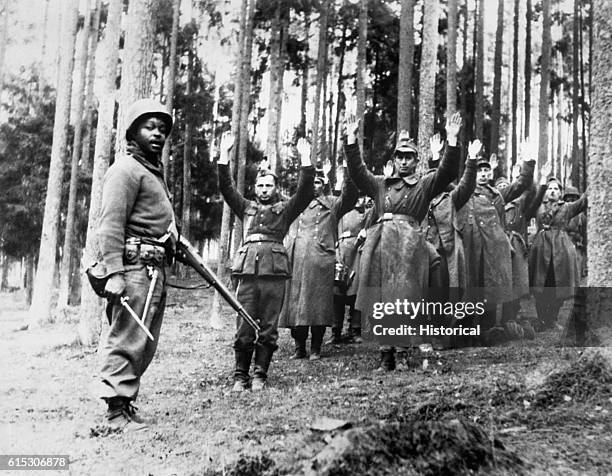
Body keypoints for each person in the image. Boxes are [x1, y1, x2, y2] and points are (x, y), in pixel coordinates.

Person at [343, 99, 462, 371]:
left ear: (416, 161)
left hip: (410, 249)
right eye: (400, 156)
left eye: (409, 157)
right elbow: (358, 172)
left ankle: (409, 353)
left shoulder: (423, 185)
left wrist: (452, 142)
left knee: (409, 299)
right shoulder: (380, 185)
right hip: (383, 247)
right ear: (394, 160)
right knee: (383, 301)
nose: (404, 161)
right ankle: (386, 358)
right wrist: (350, 140)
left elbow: (446, 173)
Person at [96, 98, 176, 431]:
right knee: (127, 338)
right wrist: (115, 273)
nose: (157, 134)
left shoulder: (151, 174)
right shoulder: (125, 170)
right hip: (133, 269)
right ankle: (115, 415)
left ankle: (124, 405)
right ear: (133, 132)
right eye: (149, 127)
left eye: (162, 128)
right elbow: (110, 225)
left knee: (143, 342)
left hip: (153, 270)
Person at [217, 132, 314, 391]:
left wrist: (306, 161)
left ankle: (260, 374)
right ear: (254, 188)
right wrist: (224, 157)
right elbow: (227, 188)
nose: (264, 190)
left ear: (276, 188)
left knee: (269, 327)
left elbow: (305, 193)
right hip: (248, 273)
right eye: (260, 186)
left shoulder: (285, 209)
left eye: (269, 186)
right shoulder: (246, 207)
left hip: (274, 274)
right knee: (244, 326)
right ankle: (240, 376)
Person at [279, 166, 358, 359]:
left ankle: (315, 347)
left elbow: (349, 198)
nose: (313, 186)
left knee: (318, 306)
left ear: (324, 185)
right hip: (296, 261)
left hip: (321, 262)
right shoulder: (295, 203)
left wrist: (346, 175)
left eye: (318, 182)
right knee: (295, 305)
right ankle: (299, 347)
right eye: (311, 181)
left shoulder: (331, 203)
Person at [456, 150, 535, 343]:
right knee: (470, 287)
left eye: (486, 171)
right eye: (479, 171)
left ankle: (486, 330)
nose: (483, 174)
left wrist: (528, 162)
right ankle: (465, 332)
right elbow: (441, 182)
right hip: (470, 247)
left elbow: (521, 185)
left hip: (492, 249)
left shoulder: (497, 195)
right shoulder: (464, 192)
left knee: (490, 289)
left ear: (490, 173)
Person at [424, 138, 480, 347]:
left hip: (446, 254)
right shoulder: (421, 197)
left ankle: (442, 336)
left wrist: (472, 160)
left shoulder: (451, 198)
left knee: (444, 293)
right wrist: (435, 156)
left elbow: (466, 185)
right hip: (424, 252)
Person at [497, 151, 551, 339]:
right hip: (499, 249)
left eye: (507, 186)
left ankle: (514, 319)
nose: (506, 189)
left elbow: (534, 200)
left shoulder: (521, 209)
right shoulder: (494, 208)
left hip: (518, 249)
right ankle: (503, 322)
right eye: (501, 187)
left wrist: (543, 182)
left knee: (518, 285)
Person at [529, 178, 587, 330]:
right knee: (540, 284)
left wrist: (594, 180)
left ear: (561, 193)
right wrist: (541, 185)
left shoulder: (567, 208)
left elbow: (583, 202)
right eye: (550, 188)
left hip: (561, 249)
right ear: (545, 192)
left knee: (558, 284)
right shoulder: (538, 206)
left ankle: (552, 319)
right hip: (541, 248)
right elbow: (530, 197)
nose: (553, 191)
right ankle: (542, 319)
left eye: (556, 189)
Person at [330, 196, 370, 344]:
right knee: (336, 293)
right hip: (339, 251)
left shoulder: (366, 213)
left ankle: (355, 329)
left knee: (355, 292)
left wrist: (365, 233)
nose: (359, 199)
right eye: (356, 196)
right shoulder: (338, 212)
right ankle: (336, 331)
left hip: (358, 253)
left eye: (362, 196)